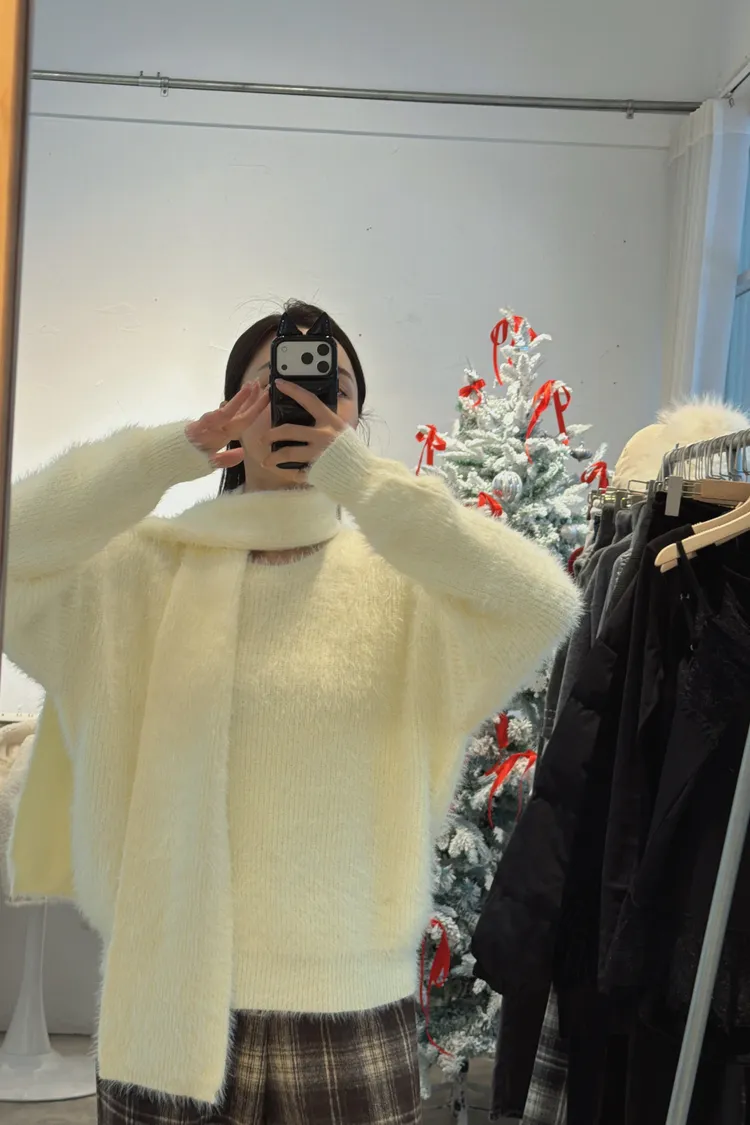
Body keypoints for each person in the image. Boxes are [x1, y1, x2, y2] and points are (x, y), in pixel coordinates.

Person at [5, 301, 580, 1125]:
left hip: (350, 1012)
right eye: (270, 385)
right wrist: (165, 455)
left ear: (356, 419)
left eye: (329, 387)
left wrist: (362, 480)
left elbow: (543, 601)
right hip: (166, 1009)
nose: (299, 404)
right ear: (231, 409)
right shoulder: (134, 579)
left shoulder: (403, 593)